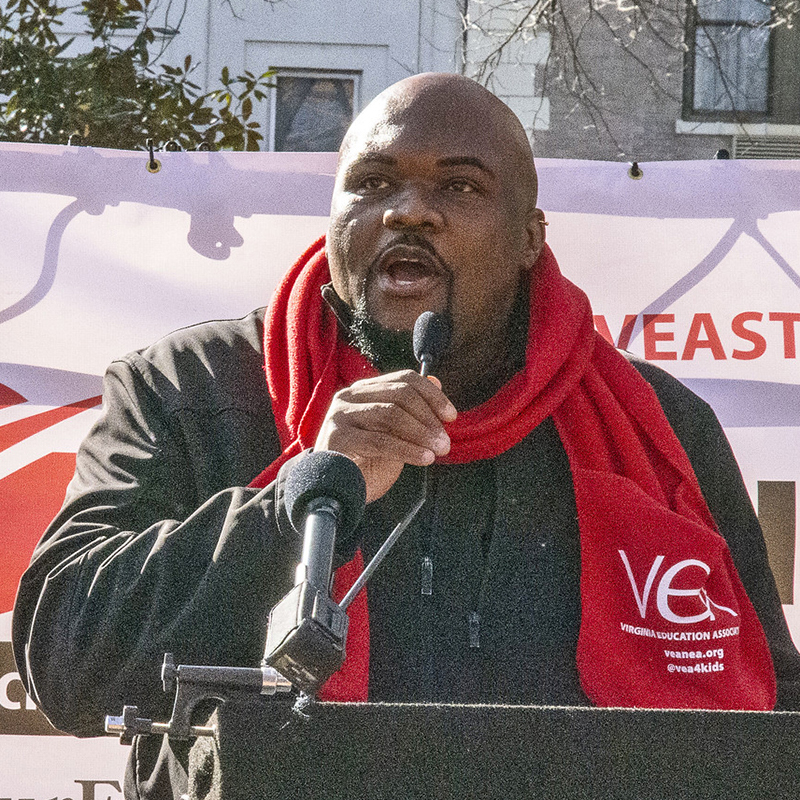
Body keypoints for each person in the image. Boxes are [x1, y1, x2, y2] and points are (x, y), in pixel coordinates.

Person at [12, 73, 800, 798]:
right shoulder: (190, 388)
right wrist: (295, 501)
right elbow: (65, 661)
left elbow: (770, 711)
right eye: (373, 183)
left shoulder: (659, 426)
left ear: (530, 238)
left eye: (460, 185)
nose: (408, 212)